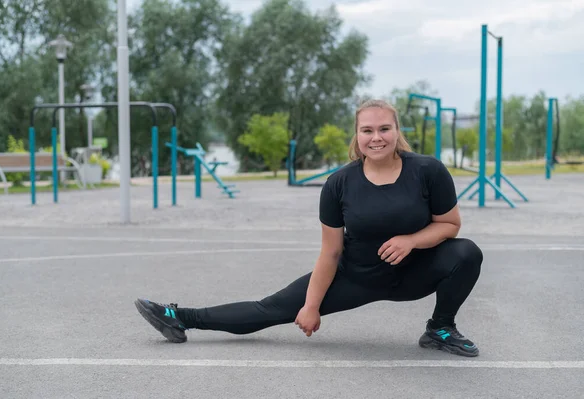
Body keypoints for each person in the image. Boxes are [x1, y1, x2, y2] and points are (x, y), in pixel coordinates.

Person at [135, 99, 483, 357]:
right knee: (269, 309)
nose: (376, 137)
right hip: (356, 276)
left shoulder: (428, 171)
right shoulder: (339, 184)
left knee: (466, 252)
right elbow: (331, 252)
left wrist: (412, 240)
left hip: (414, 274)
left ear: (397, 132)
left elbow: (450, 225)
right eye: (367, 130)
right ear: (357, 135)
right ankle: (179, 317)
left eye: (384, 129)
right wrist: (312, 306)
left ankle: (440, 328)